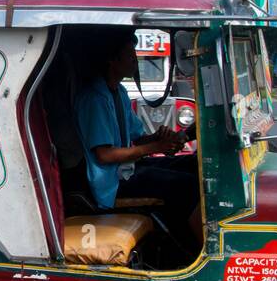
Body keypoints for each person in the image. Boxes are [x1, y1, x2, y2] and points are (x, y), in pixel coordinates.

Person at [75, 30, 199, 240]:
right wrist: (153, 148)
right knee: (187, 186)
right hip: (112, 183)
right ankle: (187, 243)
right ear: (112, 61)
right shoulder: (94, 98)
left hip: (129, 169)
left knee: (192, 166)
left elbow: (137, 138)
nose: (135, 62)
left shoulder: (119, 92)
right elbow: (104, 155)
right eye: (130, 57)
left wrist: (159, 139)